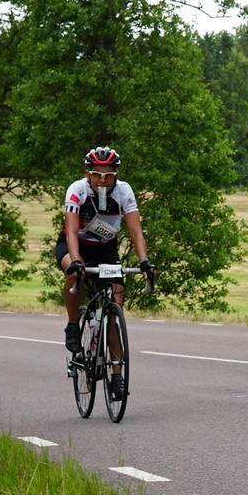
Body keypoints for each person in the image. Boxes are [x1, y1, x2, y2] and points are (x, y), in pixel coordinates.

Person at [57, 146, 154, 359]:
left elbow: (136, 231)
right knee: (76, 274)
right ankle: (73, 325)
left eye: (108, 175)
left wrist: (144, 261)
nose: (102, 181)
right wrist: (76, 261)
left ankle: (117, 372)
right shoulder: (77, 190)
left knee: (115, 309)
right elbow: (71, 231)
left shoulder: (124, 191)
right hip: (75, 244)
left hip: (105, 248)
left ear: (116, 175)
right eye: (96, 175)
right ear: (87, 174)